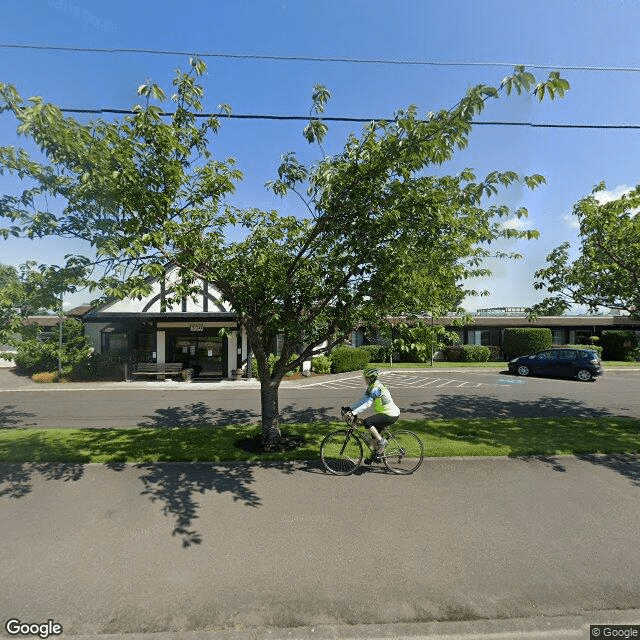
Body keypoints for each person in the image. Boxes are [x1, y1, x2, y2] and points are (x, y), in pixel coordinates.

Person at [342, 367, 400, 462]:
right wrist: (350, 408)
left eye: (366, 378)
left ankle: (382, 442)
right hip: (385, 414)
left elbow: (367, 404)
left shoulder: (376, 389)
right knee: (374, 437)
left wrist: (353, 413)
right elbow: (363, 400)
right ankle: (376, 457)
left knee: (368, 422)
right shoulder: (372, 387)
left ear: (371, 378)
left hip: (390, 414)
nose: (365, 379)